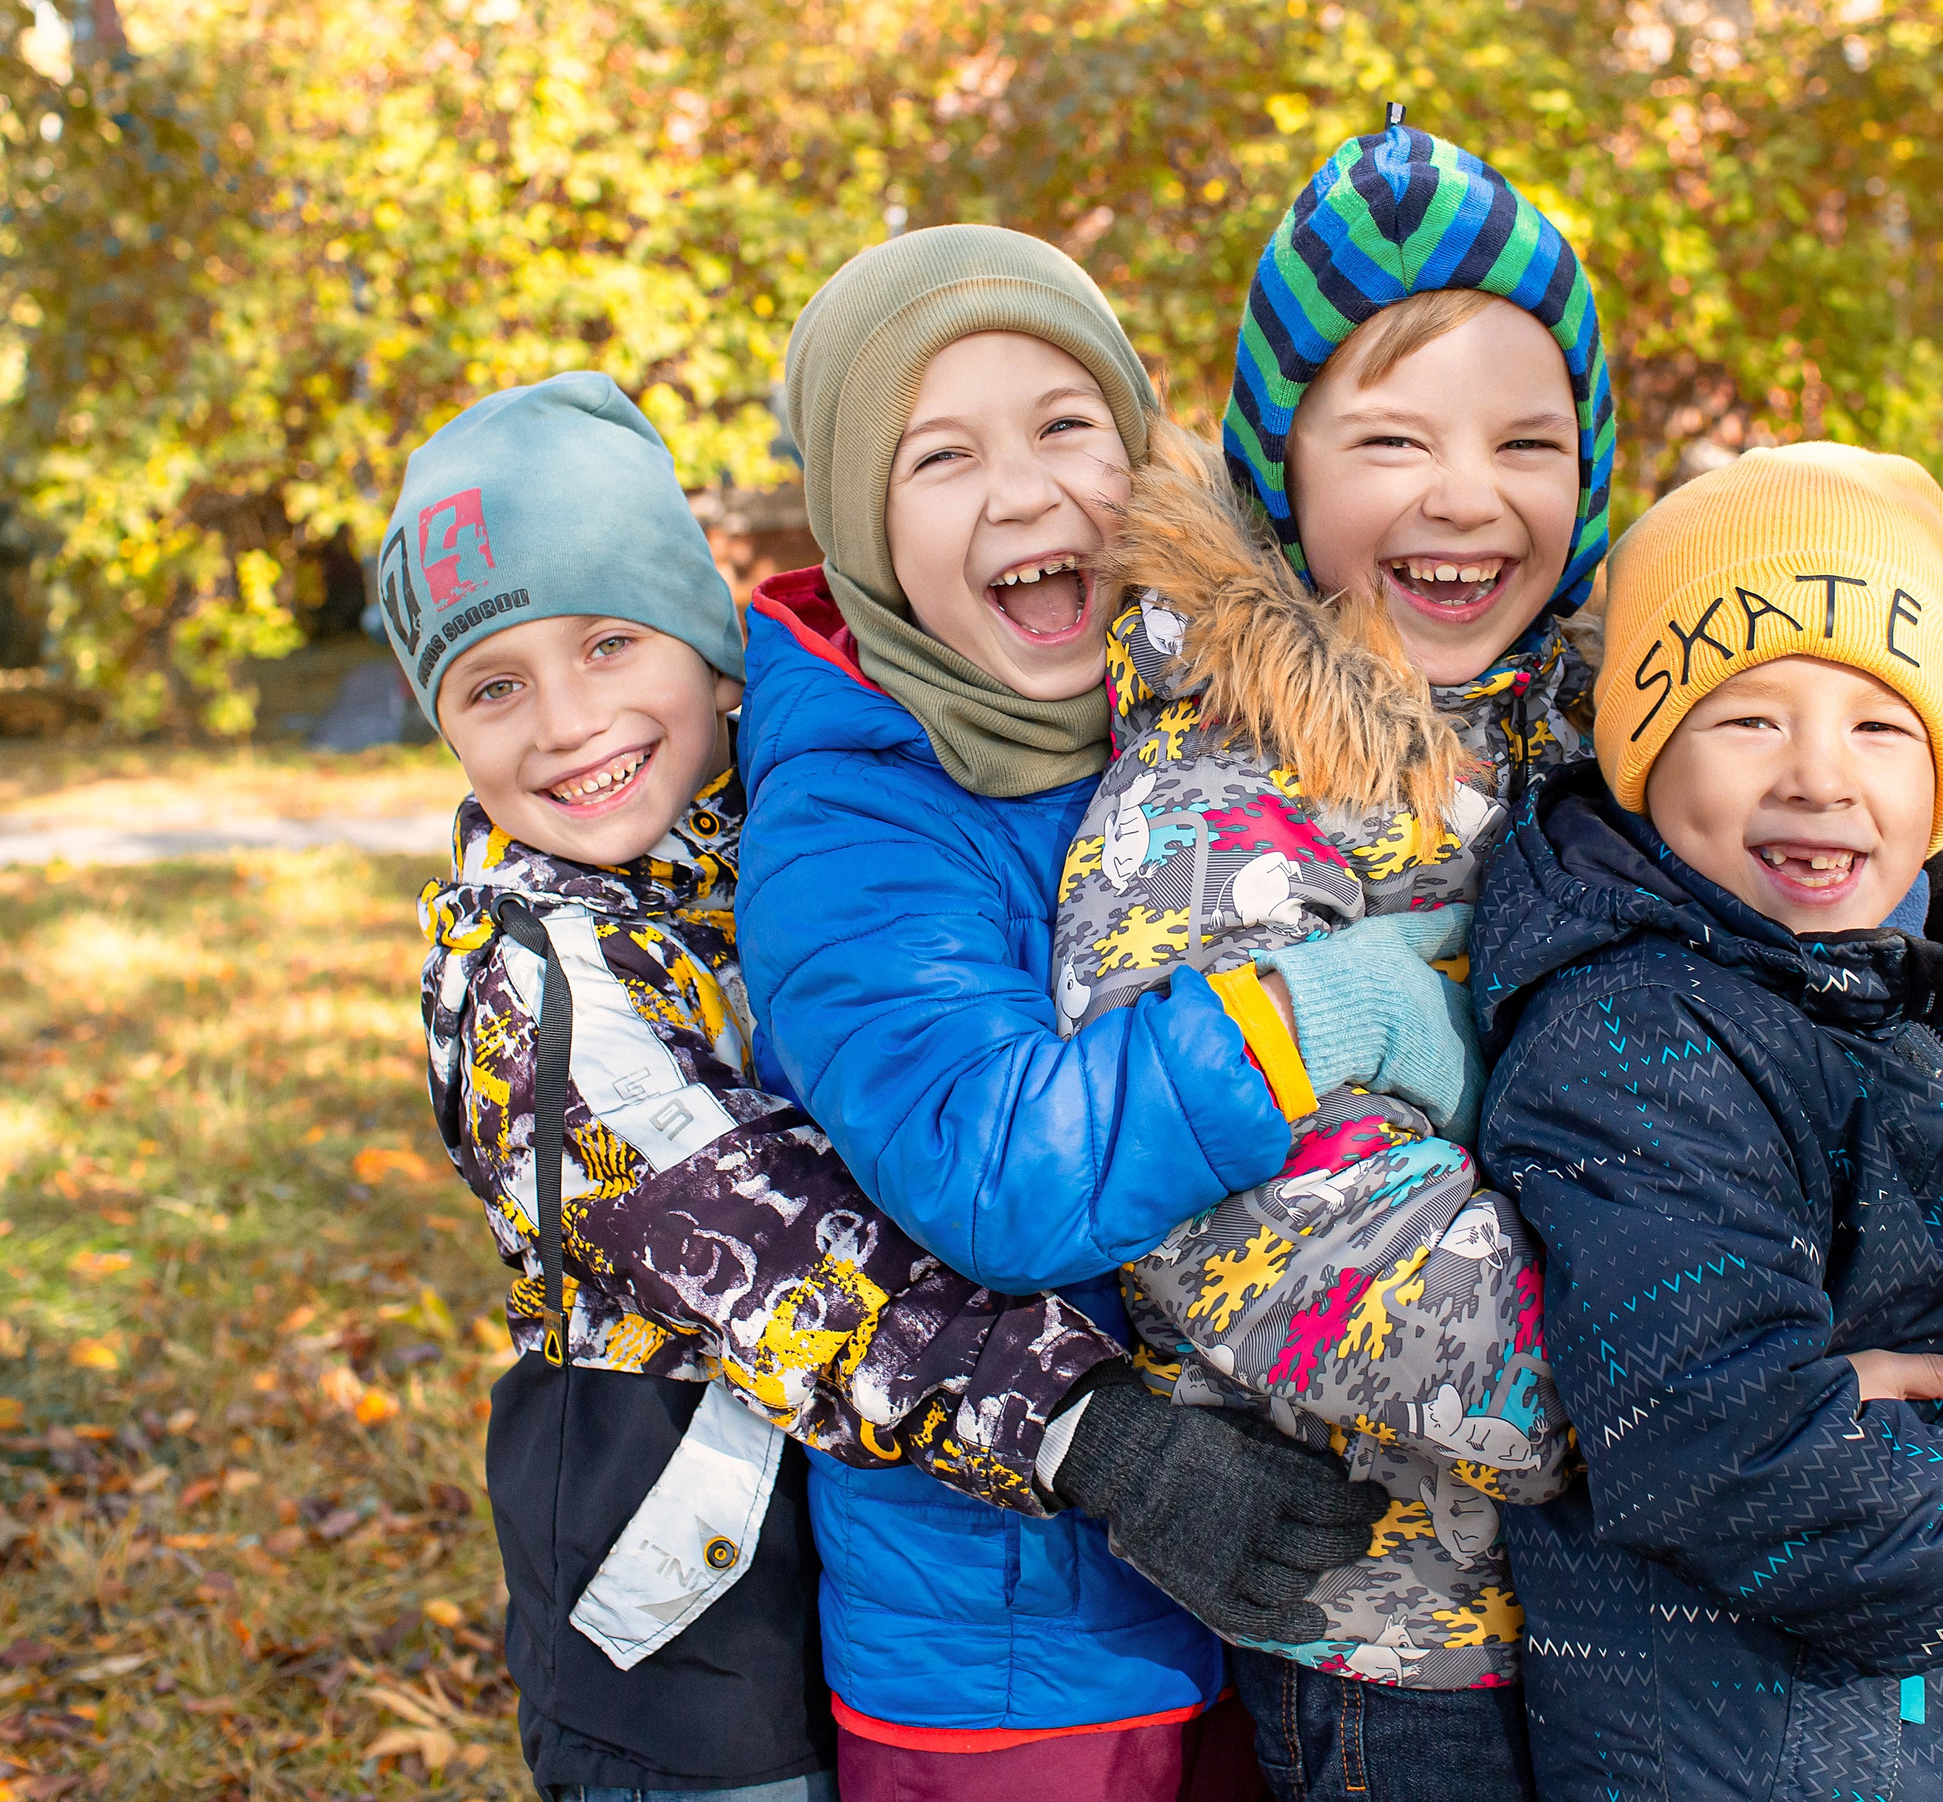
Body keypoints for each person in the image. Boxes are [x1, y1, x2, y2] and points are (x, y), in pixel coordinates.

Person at [387, 372, 1334, 1798]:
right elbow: (772, 1252)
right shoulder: (537, 979)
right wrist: (1094, 1433)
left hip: (834, 1529)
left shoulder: (783, 829)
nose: (568, 721)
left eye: (607, 642)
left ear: (713, 654)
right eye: (494, 686)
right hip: (673, 1612)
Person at [737, 225, 1449, 1797]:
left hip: (1258, 1582)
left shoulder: (1177, 719)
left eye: (1068, 424)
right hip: (1011, 1662)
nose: (1025, 490)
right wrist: (1323, 1014)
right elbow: (999, 1169)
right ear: (863, 520)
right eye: (940, 456)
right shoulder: (852, 827)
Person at [1469, 443, 1943, 1802]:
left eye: (1878, 723)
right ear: (1642, 755)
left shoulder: (1923, 985)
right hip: (1757, 1744)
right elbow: (1722, 1438)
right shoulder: (1632, 1030)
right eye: (1747, 718)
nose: (1817, 773)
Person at [1046, 120, 1611, 1802]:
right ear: (1283, 467)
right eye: (1393, 438)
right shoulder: (1212, 799)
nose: (1466, 493)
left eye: (1530, 437)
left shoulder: (1608, 759)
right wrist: (1703, 1379)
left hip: (1638, 1611)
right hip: (1402, 1647)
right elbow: (1269, 1236)